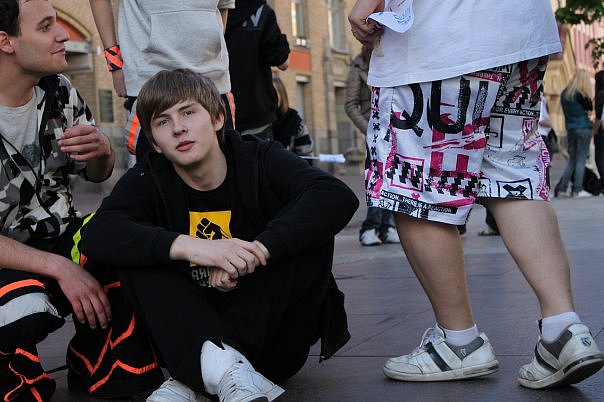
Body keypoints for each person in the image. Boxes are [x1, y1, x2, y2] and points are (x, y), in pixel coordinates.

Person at [349, 0, 603, 390]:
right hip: (521, 34)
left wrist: (367, 4)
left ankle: (459, 342)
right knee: (514, 176)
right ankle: (563, 329)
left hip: (439, 36)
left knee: (418, 185)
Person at [80, 69, 358, 401]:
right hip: (187, 335)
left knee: (310, 229)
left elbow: (335, 196)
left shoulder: (259, 157)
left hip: (273, 343)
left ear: (217, 118)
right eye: (163, 121)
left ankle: (202, 376)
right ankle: (219, 371)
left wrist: (256, 252)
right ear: (154, 142)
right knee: (137, 250)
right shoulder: (150, 176)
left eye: (188, 112)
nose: (178, 128)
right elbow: (98, 232)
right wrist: (193, 248)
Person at [0, 0, 118, 400]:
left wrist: (102, 150)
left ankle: (97, 363)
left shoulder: (59, 90)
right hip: (11, 264)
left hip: (64, 237)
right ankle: (18, 372)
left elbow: (97, 174)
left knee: (128, 242)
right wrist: (59, 268)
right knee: (23, 306)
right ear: (6, 42)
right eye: (46, 26)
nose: (63, 34)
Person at [88, 0, 236, 163]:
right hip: (151, 83)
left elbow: (223, 6)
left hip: (213, 82)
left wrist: (214, 52)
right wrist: (115, 65)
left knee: (224, 167)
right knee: (156, 172)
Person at [344, 45, 399, 246]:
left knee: (393, 178)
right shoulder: (358, 67)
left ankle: (387, 227)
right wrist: (369, 129)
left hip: (395, 127)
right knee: (378, 178)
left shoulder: (392, 61)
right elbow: (350, 105)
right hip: (374, 130)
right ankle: (369, 228)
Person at [225, 0, 290, 138]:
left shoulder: (213, 10)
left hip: (221, 113)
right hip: (257, 115)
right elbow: (283, 62)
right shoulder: (262, 12)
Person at [555, 69, 594, 198]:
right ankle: (577, 189)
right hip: (583, 128)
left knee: (572, 160)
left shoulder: (565, 94)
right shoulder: (581, 94)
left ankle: (562, 189)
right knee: (581, 160)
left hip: (570, 129)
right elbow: (590, 108)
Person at [272, 75, 314, 159]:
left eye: (273, 93)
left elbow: (306, 157)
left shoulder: (294, 121)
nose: (269, 97)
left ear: (281, 95)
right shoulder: (255, 120)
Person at [593, 69, 604, 193]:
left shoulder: (600, 94)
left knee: (600, 158)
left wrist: (594, 131)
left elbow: (599, 116)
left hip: (601, 131)